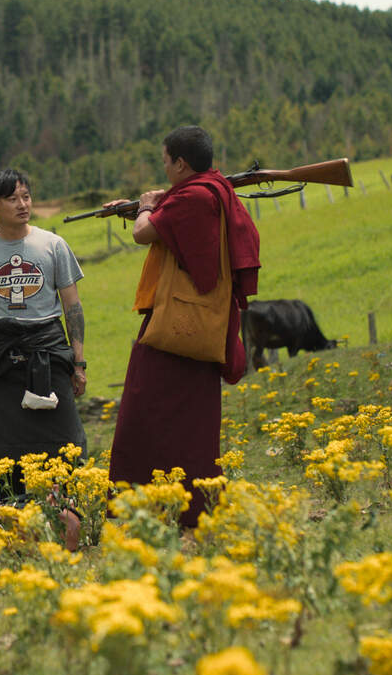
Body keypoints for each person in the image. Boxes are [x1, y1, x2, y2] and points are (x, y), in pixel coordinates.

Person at [105, 126, 260, 528]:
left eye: (165, 161)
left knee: (141, 413)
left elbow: (144, 233)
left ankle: (145, 507)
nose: (165, 167)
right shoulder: (212, 188)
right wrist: (155, 201)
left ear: (180, 163)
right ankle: (192, 505)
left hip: (178, 324)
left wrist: (144, 206)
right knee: (192, 421)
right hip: (202, 323)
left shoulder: (193, 196)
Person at [0, 170, 88, 515]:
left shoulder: (53, 245)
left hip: (49, 349)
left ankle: (67, 516)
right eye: (13, 198)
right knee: (5, 448)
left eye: (26, 196)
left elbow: (72, 305)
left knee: (65, 440)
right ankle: (14, 520)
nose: (23, 204)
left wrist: (79, 361)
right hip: (1, 356)